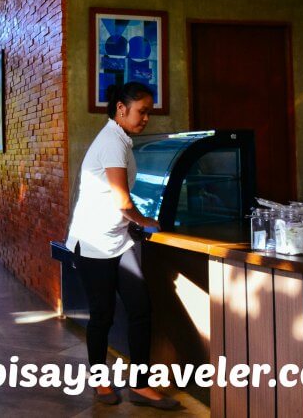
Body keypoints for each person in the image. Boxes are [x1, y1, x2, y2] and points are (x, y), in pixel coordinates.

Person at [64, 83, 181, 410]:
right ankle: (100, 382)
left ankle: (141, 386)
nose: (146, 118)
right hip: (93, 243)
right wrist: (146, 221)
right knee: (102, 315)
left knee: (140, 309)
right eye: (142, 111)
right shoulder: (112, 143)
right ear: (120, 109)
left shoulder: (121, 140)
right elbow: (121, 200)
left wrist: (137, 222)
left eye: (148, 111)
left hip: (118, 240)